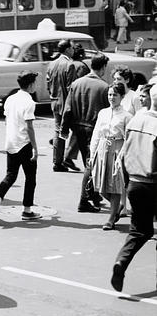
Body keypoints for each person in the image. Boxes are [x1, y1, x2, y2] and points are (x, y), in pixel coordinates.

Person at [109, 91, 157, 293]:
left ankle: (121, 260)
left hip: (135, 182)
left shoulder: (136, 120)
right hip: (153, 181)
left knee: (139, 230)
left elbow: (125, 151)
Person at [0, 71, 42, 222]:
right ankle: (27, 210)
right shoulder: (29, 102)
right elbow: (29, 127)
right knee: (30, 177)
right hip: (24, 143)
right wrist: (35, 147)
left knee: (10, 175)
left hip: (11, 142)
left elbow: (7, 120)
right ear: (30, 85)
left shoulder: (10, 99)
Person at [61, 53, 110, 213]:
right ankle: (84, 200)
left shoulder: (77, 83)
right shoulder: (104, 87)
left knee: (88, 162)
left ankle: (93, 194)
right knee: (91, 164)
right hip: (94, 129)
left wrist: (64, 129)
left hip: (78, 129)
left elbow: (68, 108)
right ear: (103, 67)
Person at [90, 83, 133, 231]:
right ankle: (118, 206)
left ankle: (111, 218)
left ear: (122, 96)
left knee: (114, 185)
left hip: (117, 149)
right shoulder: (103, 113)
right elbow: (96, 133)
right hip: (102, 148)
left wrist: (121, 155)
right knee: (100, 186)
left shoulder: (127, 116)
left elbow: (128, 138)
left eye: (115, 94)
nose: (111, 97)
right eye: (109, 94)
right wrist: (92, 153)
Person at [47, 39, 79, 172]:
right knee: (77, 130)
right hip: (66, 104)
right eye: (72, 48)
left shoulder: (52, 64)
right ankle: (68, 157)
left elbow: (48, 83)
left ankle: (57, 161)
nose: (73, 50)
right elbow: (72, 88)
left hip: (55, 102)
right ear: (67, 49)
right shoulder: (69, 65)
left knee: (58, 131)